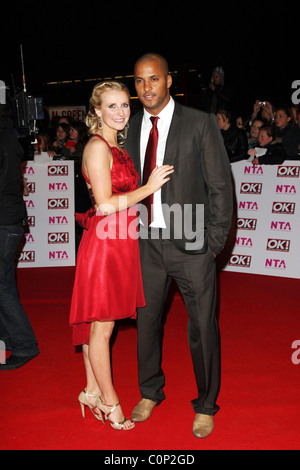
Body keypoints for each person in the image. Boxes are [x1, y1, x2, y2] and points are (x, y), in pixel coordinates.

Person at [125, 53, 233, 439]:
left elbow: (221, 187)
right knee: (146, 324)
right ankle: (149, 391)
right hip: (146, 246)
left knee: (202, 327)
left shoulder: (200, 123)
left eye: (153, 79)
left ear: (168, 80)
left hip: (192, 245)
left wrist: (213, 243)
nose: (146, 88)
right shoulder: (132, 126)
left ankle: (206, 404)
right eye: (139, 81)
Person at [69, 81, 173, 431]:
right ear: (96, 111)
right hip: (105, 246)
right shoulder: (98, 147)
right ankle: (111, 403)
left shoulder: (118, 145)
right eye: (111, 106)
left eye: (124, 105)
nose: (120, 112)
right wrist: (149, 187)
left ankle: (90, 390)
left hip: (121, 242)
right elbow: (103, 204)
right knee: (102, 328)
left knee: (98, 325)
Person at [0, 93, 39, 371]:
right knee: (4, 285)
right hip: (9, 219)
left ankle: (24, 344)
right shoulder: (8, 136)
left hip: (4, 221)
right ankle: (9, 337)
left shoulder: (3, 139)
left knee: (3, 288)